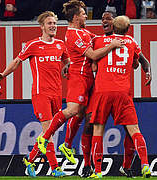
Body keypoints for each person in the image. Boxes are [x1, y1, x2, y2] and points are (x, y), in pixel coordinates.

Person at [36, 0, 123, 165]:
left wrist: (116, 34)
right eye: (83, 14)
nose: (86, 16)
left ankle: (67, 145)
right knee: (73, 109)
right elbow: (93, 54)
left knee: (82, 114)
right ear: (76, 17)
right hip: (79, 77)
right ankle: (45, 138)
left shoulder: (83, 32)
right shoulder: (72, 34)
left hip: (89, 78)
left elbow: (98, 40)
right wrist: (112, 45)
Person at [0, 11, 70, 177]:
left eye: (54, 23)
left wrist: (67, 67)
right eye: (49, 23)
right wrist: (3, 75)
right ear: (42, 26)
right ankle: (55, 168)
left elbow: (68, 62)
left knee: (50, 132)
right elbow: (16, 62)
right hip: (40, 93)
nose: (53, 26)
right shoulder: (32, 45)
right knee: (48, 129)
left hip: (57, 93)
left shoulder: (60, 45)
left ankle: (30, 160)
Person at [77, 10, 152, 178]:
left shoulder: (98, 41)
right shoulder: (131, 42)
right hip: (123, 93)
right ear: (128, 28)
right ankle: (145, 164)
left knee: (98, 130)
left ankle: (97, 171)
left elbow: (90, 61)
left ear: (112, 25)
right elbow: (137, 63)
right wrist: (145, 71)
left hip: (102, 91)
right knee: (135, 130)